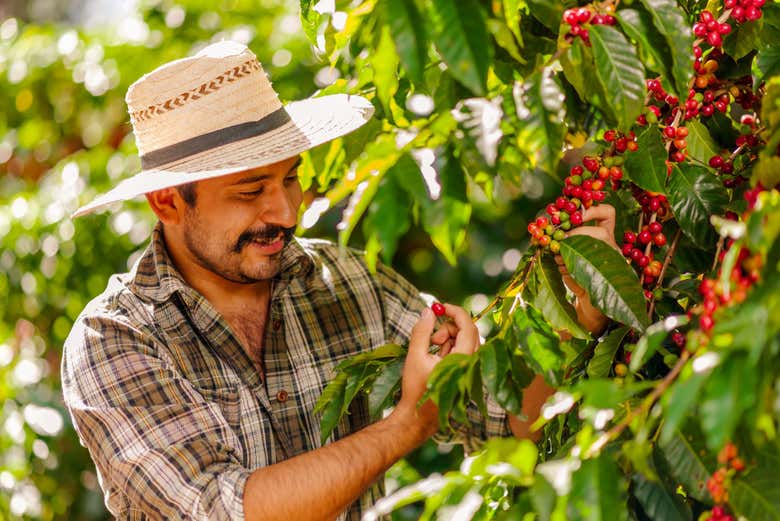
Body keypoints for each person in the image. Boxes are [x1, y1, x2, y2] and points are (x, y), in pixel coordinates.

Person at [61, 41, 615, 520]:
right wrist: (406, 425)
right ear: (167, 201)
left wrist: (574, 315)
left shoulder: (350, 283)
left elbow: (510, 419)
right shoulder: (115, 339)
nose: (283, 210)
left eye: (291, 178)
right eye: (250, 191)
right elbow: (222, 509)